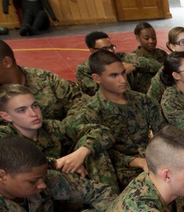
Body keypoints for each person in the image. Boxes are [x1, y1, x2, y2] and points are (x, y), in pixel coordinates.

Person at [0, 84, 118, 190]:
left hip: (67, 189)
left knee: (95, 151)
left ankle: (111, 202)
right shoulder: (5, 140)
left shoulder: (51, 128)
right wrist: (55, 164)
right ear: (6, 116)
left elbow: (103, 132)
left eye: (34, 106)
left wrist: (81, 153)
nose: (33, 113)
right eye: (22, 110)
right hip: (37, 197)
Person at [67, 50, 167, 189]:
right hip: (120, 171)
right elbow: (101, 155)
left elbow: (163, 135)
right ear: (97, 78)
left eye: (123, 73)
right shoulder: (90, 112)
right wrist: (136, 161)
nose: (123, 80)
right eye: (114, 75)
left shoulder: (144, 101)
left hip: (153, 161)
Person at [0, 39, 84, 145]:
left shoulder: (44, 79)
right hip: (20, 153)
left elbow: (79, 104)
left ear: (6, 62)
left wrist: (59, 131)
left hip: (62, 143)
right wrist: (26, 133)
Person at [74, 31, 160, 96]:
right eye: (104, 49)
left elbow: (156, 65)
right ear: (92, 51)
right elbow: (105, 92)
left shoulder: (122, 57)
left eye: (111, 47)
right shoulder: (85, 69)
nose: (111, 51)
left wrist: (135, 66)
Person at [130, 22, 167, 94]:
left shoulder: (162, 54)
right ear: (137, 38)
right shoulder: (132, 58)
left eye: (154, 38)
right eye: (146, 38)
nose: (151, 41)